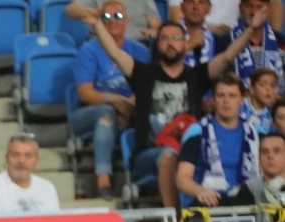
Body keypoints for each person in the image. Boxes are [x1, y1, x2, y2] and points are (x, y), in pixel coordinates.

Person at [84, 7, 269, 207]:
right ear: (157, 44)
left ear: (185, 43)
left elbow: (227, 57)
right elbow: (114, 53)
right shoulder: (143, 74)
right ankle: (176, 221)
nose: (171, 43)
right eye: (165, 38)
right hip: (151, 152)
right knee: (169, 156)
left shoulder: (197, 76)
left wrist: (251, 29)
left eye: (176, 37)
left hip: (190, 150)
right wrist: (96, 24)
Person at [71, 1, 150, 198]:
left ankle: (149, 175)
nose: (113, 21)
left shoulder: (140, 50)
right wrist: (114, 100)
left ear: (127, 20)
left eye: (118, 16)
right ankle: (103, 180)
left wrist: (131, 104)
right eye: (106, 17)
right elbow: (85, 93)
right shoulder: (88, 50)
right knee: (107, 115)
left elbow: (149, 85)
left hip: (130, 107)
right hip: (91, 112)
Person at [176, 74, 260, 207]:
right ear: (214, 100)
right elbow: (182, 178)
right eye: (221, 96)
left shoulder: (256, 133)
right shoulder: (197, 132)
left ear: (242, 99)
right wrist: (201, 191)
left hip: (245, 202)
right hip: (208, 202)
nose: (226, 101)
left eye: (232, 96)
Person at [0, 132, 61, 214]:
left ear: (37, 160)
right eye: (15, 155)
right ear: (6, 158)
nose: (21, 161)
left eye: (28, 155)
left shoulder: (47, 187)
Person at [231, 0, 285, 95]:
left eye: (259, 7)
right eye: (249, 6)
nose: (254, 12)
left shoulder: (281, 43)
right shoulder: (227, 40)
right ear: (240, 8)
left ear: (268, 9)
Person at [66, 0, 161, 41]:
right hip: (103, 44)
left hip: (137, 44)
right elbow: (70, 11)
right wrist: (93, 13)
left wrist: (155, 32)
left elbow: (157, 27)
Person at [237, 132, 285, 203]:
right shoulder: (248, 189)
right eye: (265, 152)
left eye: (276, 151)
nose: (270, 156)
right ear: (259, 157)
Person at [242, 68, 279, 134]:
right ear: (252, 89)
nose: (268, 89)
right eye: (263, 85)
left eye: (273, 86)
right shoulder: (239, 106)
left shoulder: (273, 117)